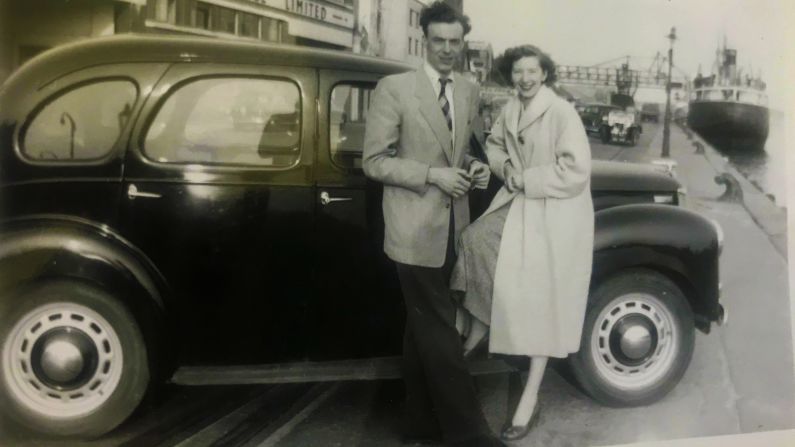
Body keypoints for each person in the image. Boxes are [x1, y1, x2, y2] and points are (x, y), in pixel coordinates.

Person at [363, 2, 503, 446]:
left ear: (463, 44)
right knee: (440, 329)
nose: (447, 49)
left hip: (452, 230)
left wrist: (475, 168)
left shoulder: (468, 89)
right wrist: (431, 175)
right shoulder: (395, 88)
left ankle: (418, 425)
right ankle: (470, 435)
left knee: (421, 328)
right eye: (438, 41)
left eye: (454, 42)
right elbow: (375, 161)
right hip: (412, 230)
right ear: (426, 41)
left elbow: (460, 152)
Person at [451, 44, 594, 442]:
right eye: (518, 73)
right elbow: (495, 145)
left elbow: (576, 171)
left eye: (532, 72)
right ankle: (479, 323)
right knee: (476, 239)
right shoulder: (511, 108)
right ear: (511, 76)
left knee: (539, 297)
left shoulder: (561, 112)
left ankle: (530, 395)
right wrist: (508, 167)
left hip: (556, 212)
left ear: (544, 74)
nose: (525, 79)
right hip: (520, 202)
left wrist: (528, 178)